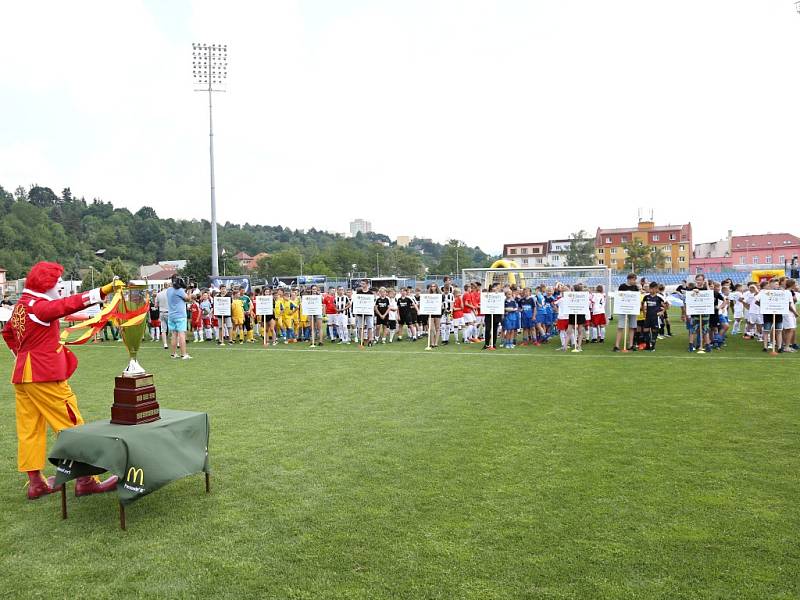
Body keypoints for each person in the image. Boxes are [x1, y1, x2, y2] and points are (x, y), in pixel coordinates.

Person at [2, 262, 120, 499]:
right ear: (47, 284)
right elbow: (67, 304)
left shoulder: (21, 307)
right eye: (57, 283)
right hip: (44, 376)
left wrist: (23, 355)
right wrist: (105, 290)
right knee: (71, 425)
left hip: (23, 376)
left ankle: (36, 482)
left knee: (29, 429)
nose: (60, 287)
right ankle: (87, 480)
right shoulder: (39, 307)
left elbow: (7, 334)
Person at [167, 276, 192, 359]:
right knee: (182, 334)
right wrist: (189, 290)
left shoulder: (169, 290)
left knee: (174, 334)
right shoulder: (180, 290)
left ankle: (173, 354)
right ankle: (184, 354)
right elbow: (188, 299)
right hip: (180, 315)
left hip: (171, 315)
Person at [613, 273, 639, 352]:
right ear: (629, 279)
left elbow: (637, 298)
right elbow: (619, 297)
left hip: (632, 309)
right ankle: (616, 345)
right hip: (622, 309)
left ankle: (630, 345)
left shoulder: (635, 287)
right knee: (621, 326)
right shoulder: (622, 286)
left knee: (632, 327)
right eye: (634, 280)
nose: (635, 281)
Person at [641, 282, 666, 352]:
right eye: (650, 288)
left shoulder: (659, 297)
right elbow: (642, 303)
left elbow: (667, 305)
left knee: (654, 331)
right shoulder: (646, 297)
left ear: (656, 289)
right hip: (648, 317)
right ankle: (647, 346)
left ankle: (653, 346)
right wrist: (643, 312)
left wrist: (662, 312)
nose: (651, 290)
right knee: (645, 330)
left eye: (653, 288)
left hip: (655, 317)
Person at [155, 285, 170, 350]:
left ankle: (165, 344)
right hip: (169, 312)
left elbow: (156, 305)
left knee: (163, 329)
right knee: (173, 329)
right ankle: (177, 343)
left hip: (161, 312)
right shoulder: (170, 293)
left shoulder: (158, 294)